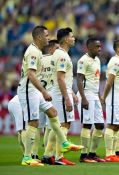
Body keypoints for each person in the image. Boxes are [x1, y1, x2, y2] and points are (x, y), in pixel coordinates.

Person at [17, 26, 83, 166]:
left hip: (35, 91)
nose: (49, 38)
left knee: (53, 113)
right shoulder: (34, 52)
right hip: (29, 91)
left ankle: (64, 143)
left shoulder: (39, 52)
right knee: (33, 122)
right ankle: (27, 157)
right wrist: (44, 91)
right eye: (46, 35)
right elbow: (30, 74)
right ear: (39, 37)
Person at [50, 27, 79, 165]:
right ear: (66, 39)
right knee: (64, 124)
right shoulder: (62, 55)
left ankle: (49, 155)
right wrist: (67, 97)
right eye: (72, 36)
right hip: (61, 94)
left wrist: (71, 93)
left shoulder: (57, 53)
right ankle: (59, 157)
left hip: (60, 92)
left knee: (57, 125)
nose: (74, 39)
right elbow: (60, 78)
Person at [101, 40, 119, 162]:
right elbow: (109, 81)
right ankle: (109, 154)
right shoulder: (115, 61)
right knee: (112, 125)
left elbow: (117, 81)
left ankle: (113, 153)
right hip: (113, 98)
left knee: (117, 125)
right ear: (118, 49)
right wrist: (104, 96)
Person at [77, 38, 105, 163]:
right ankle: (84, 156)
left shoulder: (97, 60)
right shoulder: (83, 60)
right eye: (96, 47)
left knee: (100, 125)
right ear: (89, 47)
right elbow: (79, 79)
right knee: (87, 125)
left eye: (100, 46)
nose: (99, 49)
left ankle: (92, 154)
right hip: (86, 94)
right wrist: (83, 98)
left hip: (94, 94)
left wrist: (99, 95)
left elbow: (95, 79)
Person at [39, 40, 60, 164]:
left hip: (37, 94)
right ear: (51, 49)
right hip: (49, 94)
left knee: (37, 126)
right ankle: (48, 155)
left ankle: (34, 154)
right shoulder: (56, 60)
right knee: (50, 125)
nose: (59, 51)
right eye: (57, 48)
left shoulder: (39, 59)